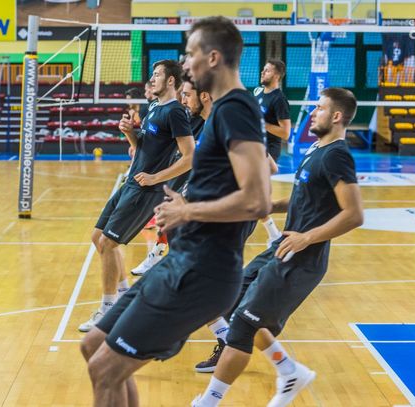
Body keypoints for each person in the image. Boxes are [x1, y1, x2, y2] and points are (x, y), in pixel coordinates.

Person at [79, 16, 271, 407]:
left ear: (212, 57)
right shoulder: (222, 111)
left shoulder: (236, 109)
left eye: (190, 53)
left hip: (202, 270)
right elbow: (263, 167)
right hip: (182, 260)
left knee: (105, 368)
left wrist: (189, 210)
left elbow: (257, 200)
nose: (185, 63)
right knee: (93, 346)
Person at [192, 87, 364, 407]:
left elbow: (354, 214)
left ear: (337, 116)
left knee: (241, 328)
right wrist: (270, 205)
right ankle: (288, 370)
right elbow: (302, 199)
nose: (313, 112)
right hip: (282, 247)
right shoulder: (316, 149)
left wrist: (307, 237)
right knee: (228, 303)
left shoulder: (337, 155)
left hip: (301, 258)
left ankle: (209, 403)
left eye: (320, 108)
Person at [78, 59, 195, 333]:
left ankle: (108, 311)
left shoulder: (176, 112)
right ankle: (123, 297)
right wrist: (130, 133)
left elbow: (190, 157)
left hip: (146, 190)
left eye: (157, 74)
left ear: (170, 81)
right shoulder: (153, 106)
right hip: (131, 182)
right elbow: (143, 144)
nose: (152, 79)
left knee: (108, 243)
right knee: (98, 237)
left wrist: (156, 177)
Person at [130, 75, 211, 276]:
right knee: (169, 218)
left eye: (187, 95)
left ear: (204, 96)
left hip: (210, 193)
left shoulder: (225, 125)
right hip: (184, 176)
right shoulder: (188, 118)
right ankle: (161, 256)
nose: (183, 100)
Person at [254, 59, 291, 248]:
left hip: (268, 151)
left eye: (267, 70)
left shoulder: (279, 99)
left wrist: (262, 124)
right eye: (263, 69)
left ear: (276, 75)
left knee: (252, 194)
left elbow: (285, 132)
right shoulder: (258, 93)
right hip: (253, 147)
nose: (263, 72)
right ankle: (273, 233)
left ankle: (274, 233)